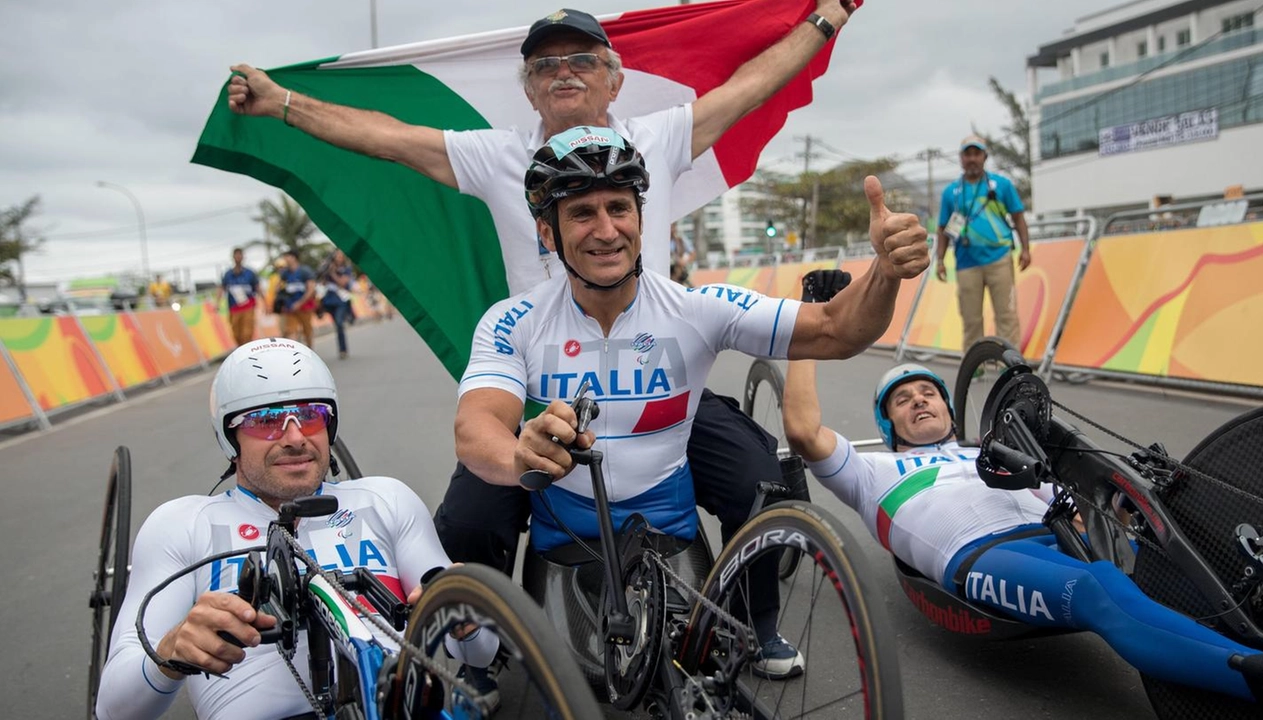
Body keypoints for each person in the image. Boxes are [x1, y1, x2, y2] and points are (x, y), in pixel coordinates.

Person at [228, 1, 866, 580]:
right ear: (530, 90)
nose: (564, 72)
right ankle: (496, 648)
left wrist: (827, 16)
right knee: (467, 527)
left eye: (583, 59)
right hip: (541, 393)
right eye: (545, 65)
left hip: (658, 380)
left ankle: (753, 623)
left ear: (614, 79)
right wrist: (281, 102)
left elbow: (752, 87)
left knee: (762, 485)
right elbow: (386, 138)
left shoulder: (659, 138)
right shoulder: (495, 155)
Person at [453, 127, 928, 677]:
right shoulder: (514, 319)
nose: (606, 230)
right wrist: (518, 457)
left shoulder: (694, 307)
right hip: (563, 531)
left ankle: (760, 626)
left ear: (641, 217)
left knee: (762, 481)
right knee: (468, 516)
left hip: (666, 525)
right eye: (582, 213)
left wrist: (885, 275)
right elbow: (476, 425)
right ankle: (475, 655)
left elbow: (835, 330)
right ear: (547, 231)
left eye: (619, 208)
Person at [779, 269, 1263, 706]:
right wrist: (809, 322)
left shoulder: (995, 453)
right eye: (903, 400)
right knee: (1095, 589)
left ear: (950, 410)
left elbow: (1081, 511)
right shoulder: (872, 474)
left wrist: (1127, 513)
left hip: (1056, 536)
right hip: (979, 556)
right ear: (888, 427)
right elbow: (803, 431)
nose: (919, 401)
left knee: (1176, 536)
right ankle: (1260, 678)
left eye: (928, 392)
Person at [94, 338, 499, 719]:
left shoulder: (386, 500)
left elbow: (480, 653)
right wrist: (170, 652)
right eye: (267, 420)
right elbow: (112, 709)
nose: (294, 437)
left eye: (310, 415)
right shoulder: (182, 525)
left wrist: (465, 620)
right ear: (229, 437)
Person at [935, 135, 1031, 353]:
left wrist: (1025, 249)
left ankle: (1009, 363)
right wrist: (940, 260)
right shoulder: (951, 192)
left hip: (999, 258)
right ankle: (973, 366)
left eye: (976, 154)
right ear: (960, 158)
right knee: (970, 318)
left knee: (1006, 314)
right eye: (967, 154)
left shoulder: (1002, 185)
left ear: (984, 157)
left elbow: (1018, 217)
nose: (972, 159)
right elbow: (943, 229)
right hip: (966, 263)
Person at [217, 247, 262, 346]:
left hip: (248, 307)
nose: (238, 257)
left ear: (243, 257)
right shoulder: (228, 274)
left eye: (240, 255)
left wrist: (265, 302)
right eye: (236, 255)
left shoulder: (250, 273)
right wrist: (217, 302)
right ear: (233, 257)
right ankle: (240, 350)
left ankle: (247, 350)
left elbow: (258, 287)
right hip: (234, 308)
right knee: (236, 333)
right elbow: (221, 288)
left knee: (247, 332)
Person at [319, 249, 356, 359]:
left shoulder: (346, 269)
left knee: (339, 323)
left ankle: (343, 350)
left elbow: (342, 283)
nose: (339, 258)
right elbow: (321, 282)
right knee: (337, 324)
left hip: (341, 300)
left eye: (341, 256)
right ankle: (350, 315)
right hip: (328, 301)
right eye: (337, 256)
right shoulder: (328, 267)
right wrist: (324, 270)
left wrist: (333, 273)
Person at [277, 250, 316, 348]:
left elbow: (311, 289)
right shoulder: (285, 273)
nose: (285, 259)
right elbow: (279, 287)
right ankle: (294, 354)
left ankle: (310, 350)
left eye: (287, 256)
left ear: (294, 257)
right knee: (291, 331)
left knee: (307, 330)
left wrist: (300, 303)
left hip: (305, 306)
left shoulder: (305, 271)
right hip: (290, 308)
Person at [669, 222, 695, 287]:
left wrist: (683, 261)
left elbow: (692, 253)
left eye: (673, 227)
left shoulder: (680, 240)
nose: (672, 229)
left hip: (679, 273)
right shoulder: (660, 242)